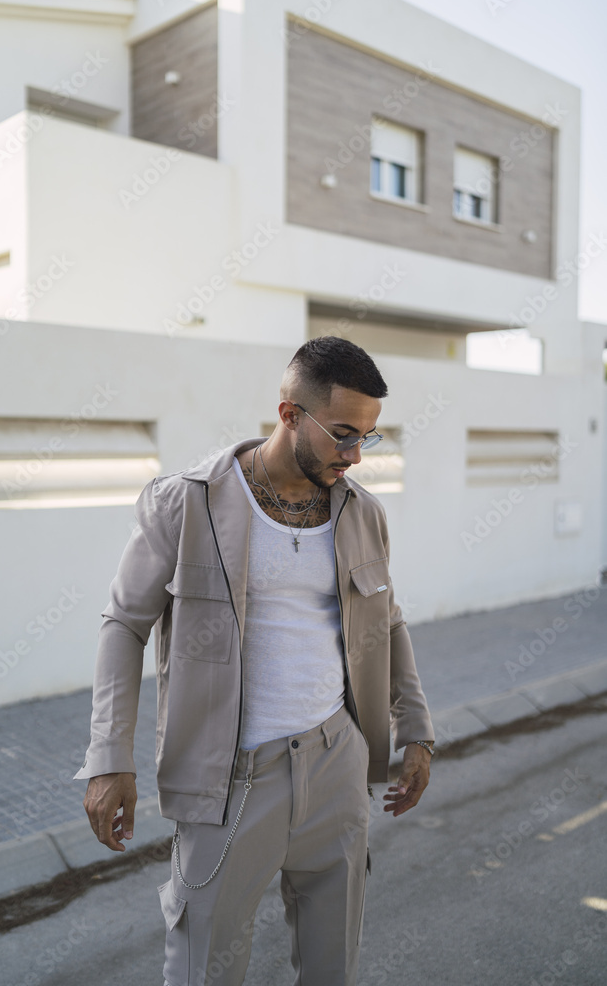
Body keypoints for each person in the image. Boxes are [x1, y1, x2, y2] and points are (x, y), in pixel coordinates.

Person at [74, 336, 435, 986]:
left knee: (331, 968)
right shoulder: (187, 503)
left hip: (338, 762)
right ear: (290, 413)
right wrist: (109, 758)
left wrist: (415, 730)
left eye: (368, 439)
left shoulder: (361, 513)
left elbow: (388, 620)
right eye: (343, 435)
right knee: (202, 969)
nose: (354, 456)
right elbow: (123, 626)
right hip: (230, 779)